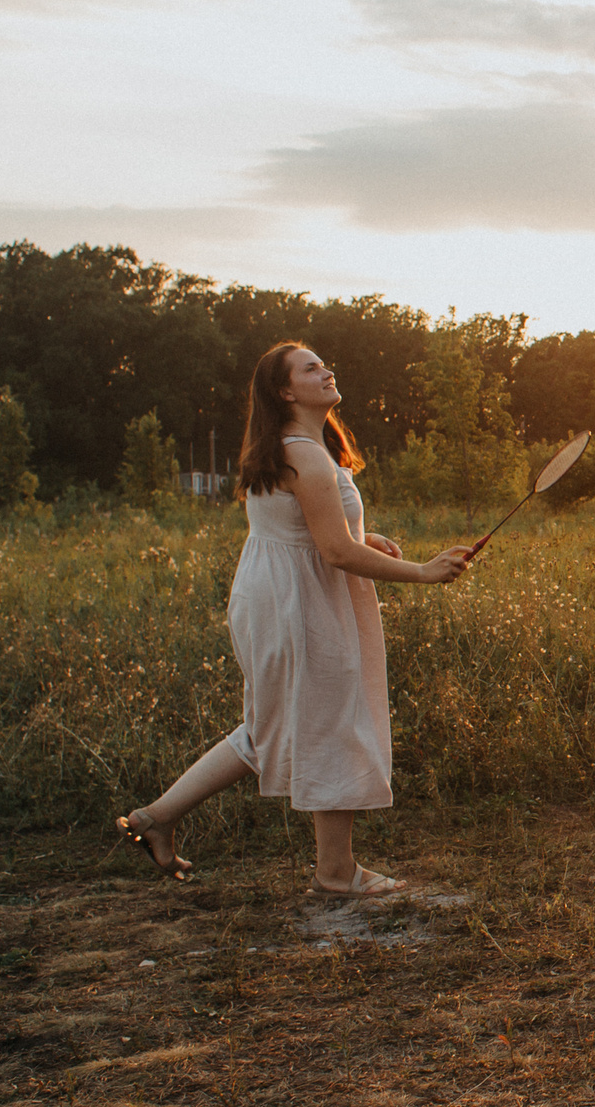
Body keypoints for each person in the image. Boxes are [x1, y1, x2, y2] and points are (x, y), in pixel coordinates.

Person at [116, 342, 473, 895]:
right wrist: (424, 573)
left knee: (273, 726)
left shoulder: (303, 448)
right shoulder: (303, 454)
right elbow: (333, 551)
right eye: (311, 368)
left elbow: (316, 532)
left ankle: (156, 818)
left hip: (282, 595)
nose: (327, 370)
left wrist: (366, 538)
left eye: (324, 363)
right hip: (297, 602)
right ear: (285, 391)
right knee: (332, 720)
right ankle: (335, 873)